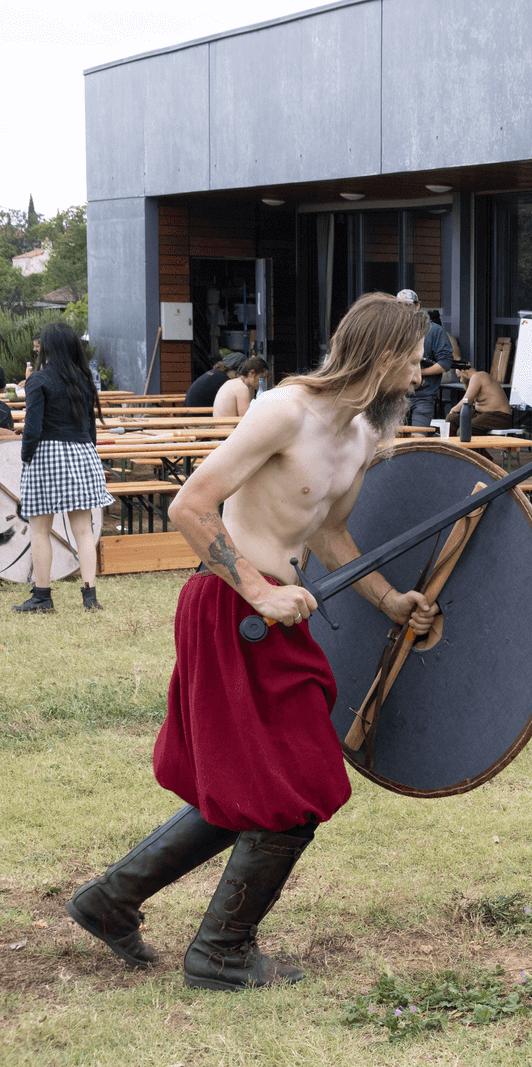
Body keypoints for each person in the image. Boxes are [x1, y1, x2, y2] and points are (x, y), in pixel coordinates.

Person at [65, 292, 440, 991]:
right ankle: (221, 950)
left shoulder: (361, 437)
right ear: (382, 355)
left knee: (259, 782)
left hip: (278, 619)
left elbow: (329, 532)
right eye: (414, 361)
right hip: (231, 607)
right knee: (301, 781)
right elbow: (190, 504)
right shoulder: (284, 411)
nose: (421, 375)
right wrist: (259, 590)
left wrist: (389, 599)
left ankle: (111, 900)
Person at [13, 322, 112, 613]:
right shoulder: (83, 379)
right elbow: (90, 429)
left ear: (47, 347)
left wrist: (26, 457)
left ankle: (42, 597)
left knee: (39, 530)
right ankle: (90, 597)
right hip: (83, 454)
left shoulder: (38, 379)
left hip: (47, 454)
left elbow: (32, 428)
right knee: (84, 530)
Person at [395, 289, 450, 426]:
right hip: (395, 396)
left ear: (417, 305)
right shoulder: (391, 331)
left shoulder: (434, 330)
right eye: (399, 305)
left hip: (423, 396)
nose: (403, 309)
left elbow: (445, 363)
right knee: (393, 437)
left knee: (418, 436)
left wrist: (418, 372)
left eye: (408, 305)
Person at [445, 359, 514, 433]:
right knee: (451, 418)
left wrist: (452, 410)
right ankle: (450, 440)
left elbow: (466, 402)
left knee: (464, 431)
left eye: (460, 377)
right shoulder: (474, 379)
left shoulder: (478, 376)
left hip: (500, 417)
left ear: (464, 372)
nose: (461, 381)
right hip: (481, 414)